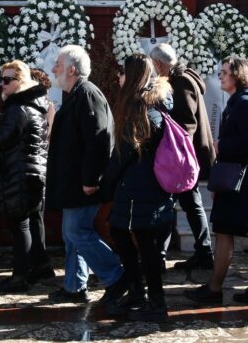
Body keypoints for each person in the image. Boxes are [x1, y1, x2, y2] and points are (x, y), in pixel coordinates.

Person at [184, 56, 248, 305]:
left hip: (242, 181)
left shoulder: (245, 102)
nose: (220, 76)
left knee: (225, 230)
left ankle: (215, 289)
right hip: (247, 178)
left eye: (224, 72)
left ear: (238, 75)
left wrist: (221, 145)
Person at [46, 45, 127, 304]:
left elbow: (99, 139)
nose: (53, 69)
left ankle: (117, 276)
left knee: (77, 232)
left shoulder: (88, 94)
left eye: (58, 64)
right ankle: (74, 286)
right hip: (74, 182)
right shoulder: (77, 95)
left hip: (84, 183)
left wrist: (92, 179)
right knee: (72, 236)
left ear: (71, 69)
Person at [0, 60, 53, 291]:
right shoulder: (31, 104)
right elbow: (1, 127)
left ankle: (19, 277)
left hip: (20, 173)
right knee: (30, 222)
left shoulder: (19, 108)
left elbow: (1, 139)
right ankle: (39, 266)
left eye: (7, 80)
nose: (2, 84)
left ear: (21, 81)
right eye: (1, 79)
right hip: (30, 172)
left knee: (20, 226)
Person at [103, 53, 175, 322]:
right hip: (147, 185)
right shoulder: (156, 103)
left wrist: (106, 184)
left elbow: (124, 152)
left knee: (144, 243)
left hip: (140, 187)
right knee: (126, 235)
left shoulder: (142, 108)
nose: (119, 77)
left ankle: (154, 301)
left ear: (133, 76)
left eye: (123, 72)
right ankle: (137, 294)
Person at [149, 43, 216, 271]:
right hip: (184, 156)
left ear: (159, 64)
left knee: (176, 204)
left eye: (154, 65)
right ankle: (202, 251)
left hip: (181, 157)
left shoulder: (181, 82)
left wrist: (173, 150)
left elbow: (187, 123)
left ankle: (166, 255)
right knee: (187, 203)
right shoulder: (183, 77)